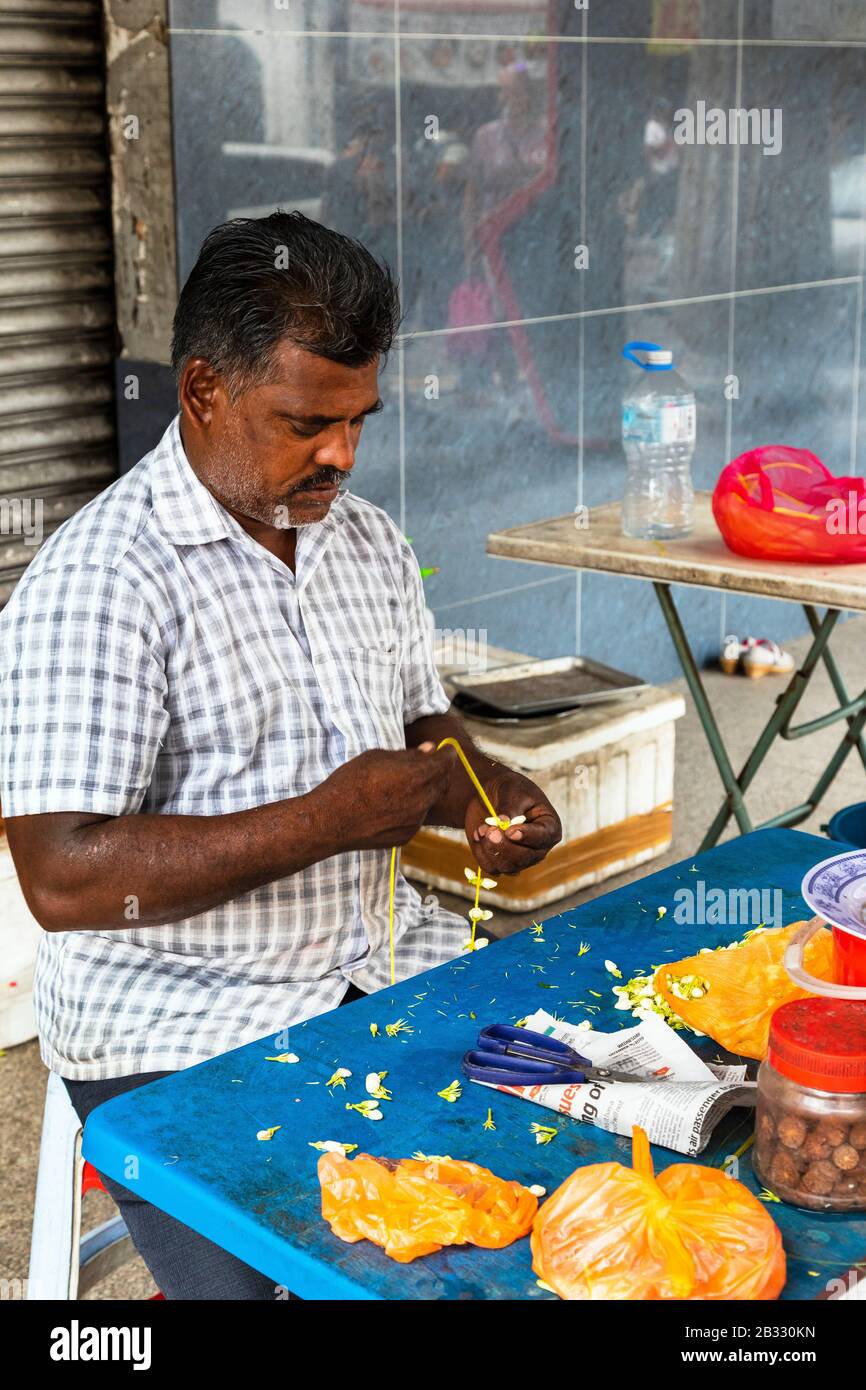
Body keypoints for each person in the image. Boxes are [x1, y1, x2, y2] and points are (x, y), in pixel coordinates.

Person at [0, 211, 561, 1299]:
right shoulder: (102, 581)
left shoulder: (365, 539)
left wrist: (485, 789)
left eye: (359, 420)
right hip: (176, 1021)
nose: (341, 455)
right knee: (331, 1279)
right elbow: (64, 876)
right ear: (203, 391)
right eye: (306, 422)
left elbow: (416, 729)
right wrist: (326, 817)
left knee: (551, 1194)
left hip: (373, 968)